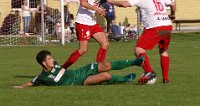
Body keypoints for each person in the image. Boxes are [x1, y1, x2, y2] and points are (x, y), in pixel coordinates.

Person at [106, 0, 176, 84]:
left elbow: (125, 4)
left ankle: (149, 72)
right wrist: (172, 15)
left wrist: (111, 1)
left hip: (155, 27)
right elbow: (173, 4)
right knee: (163, 51)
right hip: (167, 27)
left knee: (138, 50)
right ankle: (166, 79)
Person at [13, 50, 144, 88]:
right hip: (81, 81)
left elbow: (67, 65)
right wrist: (19, 86)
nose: (52, 60)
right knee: (106, 76)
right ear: (43, 63)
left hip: (81, 71)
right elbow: (30, 83)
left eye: (51, 58)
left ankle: (135, 62)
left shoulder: (57, 64)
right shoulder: (43, 77)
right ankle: (124, 79)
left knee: (105, 65)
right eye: (49, 59)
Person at [62, 0, 108, 69]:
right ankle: (63, 68)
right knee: (83, 49)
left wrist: (100, 9)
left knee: (105, 43)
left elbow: (91, 5)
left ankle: (98, 68)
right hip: (83, 22)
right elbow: (83, 2)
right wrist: (97, 9)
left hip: (92, 22)